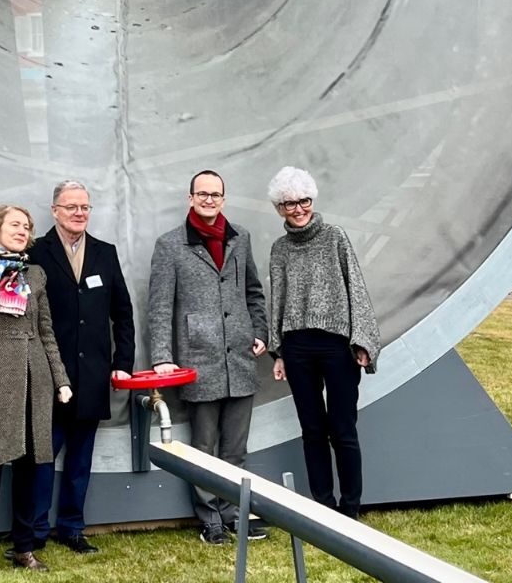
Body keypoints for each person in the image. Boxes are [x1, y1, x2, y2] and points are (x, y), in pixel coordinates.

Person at [147, 170, 269, 545]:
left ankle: (236, 513)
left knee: (236, 447)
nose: (209, 200)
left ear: (224, 199)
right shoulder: (170, 246)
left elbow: (253, 290)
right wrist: (162, 357)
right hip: (198, 361)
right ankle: (210, 519)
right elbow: (159, 307)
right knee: (203, 447)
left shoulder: (240, 238)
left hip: (240, 359)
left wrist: (260, 332)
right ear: (190, 198)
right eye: (203, 194)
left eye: (216, 194)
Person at [0, 204, 73, 580]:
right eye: (15, 225)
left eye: (26, 226)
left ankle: (24, 548)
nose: (22, 231)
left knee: (30, 472)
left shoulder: (35, 275)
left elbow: (47, 332)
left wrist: (61, 380)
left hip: (35, 381)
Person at [27, 180, 135, 554]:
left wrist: (124, 362)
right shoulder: (36, 252)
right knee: (41, 457)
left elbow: (122, 313)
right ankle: (34, 532)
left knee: (80, 458)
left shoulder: (105, 253)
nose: (78, 213)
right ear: (54, 210)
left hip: (91, 377)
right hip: (48, 375)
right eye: (70, 206)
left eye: (84, 207)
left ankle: (72, 528)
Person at [267, 166, 380, 520]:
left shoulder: (335, 237)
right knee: (312, 430)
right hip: (297, 347)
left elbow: (356, 288)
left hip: (337, 345)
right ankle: (323, 507)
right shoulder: (279, 249)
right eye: (289, 203)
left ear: (312, 201)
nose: (298, 209)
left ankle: (350, 509)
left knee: (343, 429)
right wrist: (279, 351)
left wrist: (362, 340)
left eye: (303, 201)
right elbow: (277, 300)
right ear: (279, 208)